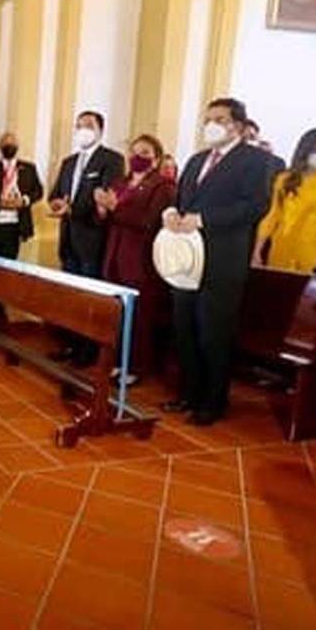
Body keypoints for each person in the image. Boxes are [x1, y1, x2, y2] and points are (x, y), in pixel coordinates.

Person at [163, 97, 273, 426]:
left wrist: (204, 219)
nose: (211, 124)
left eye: (220, 119)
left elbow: (254, 206)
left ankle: (213, 401)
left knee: (214, 332)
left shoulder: (255, 160)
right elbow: (182, 198)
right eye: (208, 118)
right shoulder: (197, 160)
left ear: (238, 125)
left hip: (223, 258)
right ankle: (189, 392)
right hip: (187, 257)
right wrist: (172, 212)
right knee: (184, 328)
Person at [94, 134, 175, 381]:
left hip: (140, 259)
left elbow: (148, 221)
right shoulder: (120, 182)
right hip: (115, 255)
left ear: (156, 157)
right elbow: (106, 221)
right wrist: (102, 209)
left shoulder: (162, 186)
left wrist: (116, 208)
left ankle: (137, 367)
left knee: (140, 316)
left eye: (146, 152)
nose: (138, 156)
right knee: (119, 314)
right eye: (135, 151)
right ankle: (118, 361)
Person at [47, 111, 123, 366]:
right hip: (68, 239)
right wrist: (56, 202)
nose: (82, 130)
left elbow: (106, 199)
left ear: (100, 130)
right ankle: (71, 344)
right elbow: (56, 192)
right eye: (79, 126)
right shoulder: (69, 162)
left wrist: (74, 210)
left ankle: (88, 351)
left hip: (92, 240)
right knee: (71, 297)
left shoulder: (111, 160)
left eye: (88, 126)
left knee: (90, 297)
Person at [252, 128, 316, 272]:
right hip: (281, 248)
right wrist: (257, 251)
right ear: (306, 150)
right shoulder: (285, 179)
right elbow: (272, 216)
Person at [0, 131, 42, 260]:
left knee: (9, 264)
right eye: (5, 142)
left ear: (17, 146)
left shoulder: (29, 168)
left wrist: (24, 201)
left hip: (15, 226)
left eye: (12, 142)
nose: (9, 145)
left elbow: (38, 191)